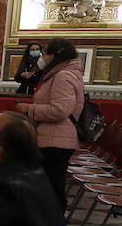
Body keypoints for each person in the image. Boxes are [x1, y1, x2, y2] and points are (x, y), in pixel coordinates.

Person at [16, 37, 83, 210]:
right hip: (52, 137)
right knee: (47, 189)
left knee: (52, 190)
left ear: (54, 56)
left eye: (44, 53)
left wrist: (30, 109)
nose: (41, 56)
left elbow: (60, 110)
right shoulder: (58, 74)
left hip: (56, 141)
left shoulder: (63, 76)